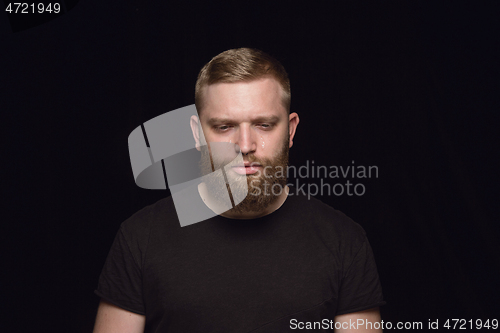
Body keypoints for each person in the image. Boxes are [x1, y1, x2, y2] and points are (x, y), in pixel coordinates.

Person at [92, 48, 386, 332]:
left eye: (264, 124)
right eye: (223, 127)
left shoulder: (344, 241)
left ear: (291, 130)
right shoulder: (140, 239)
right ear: (197, 133)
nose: (245, 145)